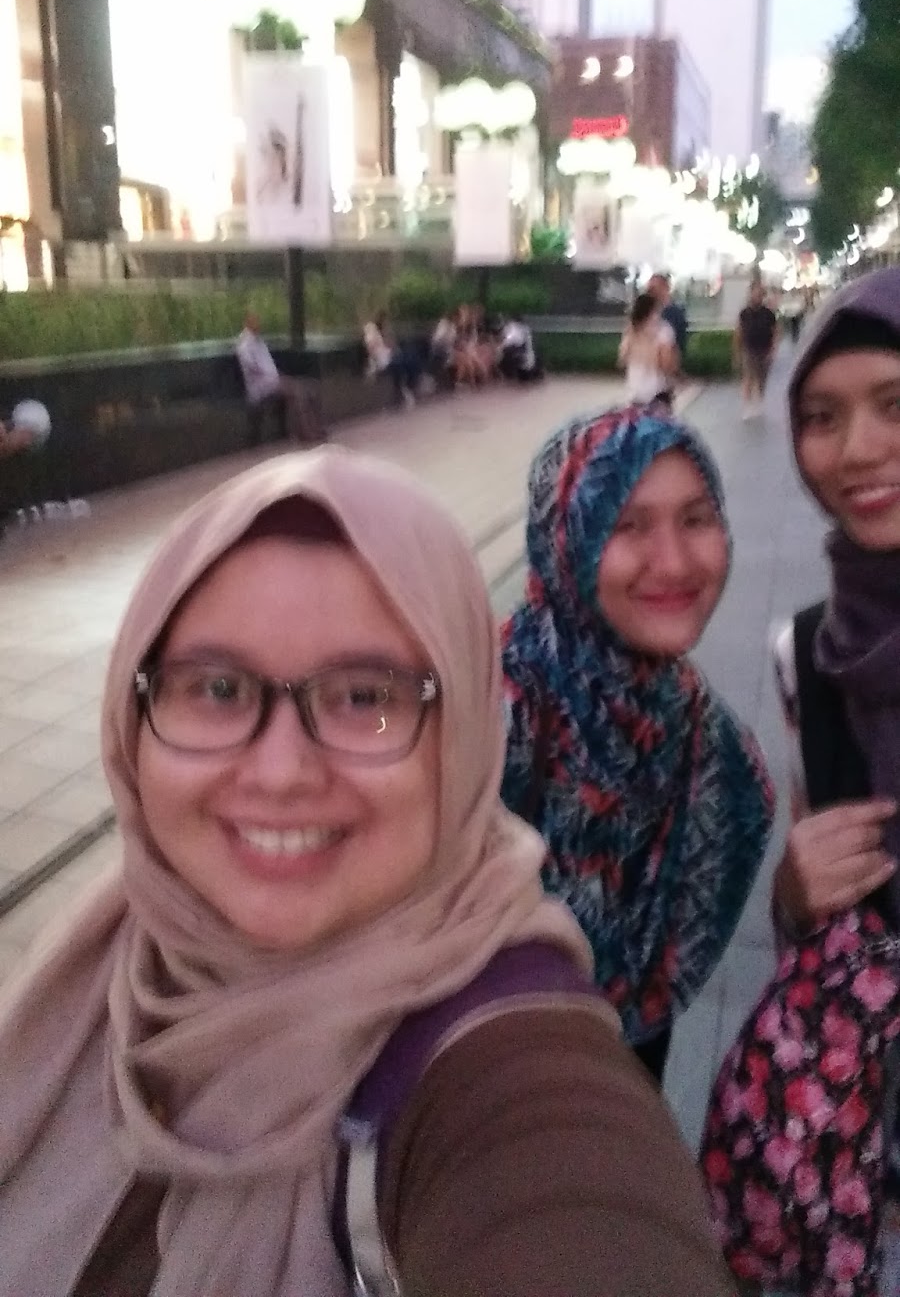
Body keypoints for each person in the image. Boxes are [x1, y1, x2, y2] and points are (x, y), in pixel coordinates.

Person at [0, 448, 735, 1297]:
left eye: (365, 697)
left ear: (462, 739)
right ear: (132, 716)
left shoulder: (508, 1072)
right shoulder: (103, 955)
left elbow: (578, 1211)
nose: (279, 772)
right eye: (216, 688)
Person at [502, 407, 774, 1083]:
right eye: (627, 525)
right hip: (482, 1083)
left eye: (696, 519)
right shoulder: (484, 699)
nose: (674, 562)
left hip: (629, 1071)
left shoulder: (702, 731)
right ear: (566, 539)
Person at [764, 267, 900, 1291]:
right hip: (872, 1123)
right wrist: (794, 888)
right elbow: (806, 908)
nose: (856, 449)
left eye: (894, 404)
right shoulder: (804, 653)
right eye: (822, 416)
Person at [236, 313, 327, 444]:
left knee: (311, 388)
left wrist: (278, 376)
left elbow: (267, 364)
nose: (258, 325)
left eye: (258, 321)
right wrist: (273, 377)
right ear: (246, 324)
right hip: (261, 387)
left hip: (273, 380)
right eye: (254, 322)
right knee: (297, 392)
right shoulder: (244, 346)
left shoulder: (259, 341)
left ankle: (315, 427)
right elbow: (253, 368)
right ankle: (306, 433)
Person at [618, 290, 679, 406]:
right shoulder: (663, 329)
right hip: (657, 392)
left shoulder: (630, 331)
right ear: (653, 311)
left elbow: (622, 360)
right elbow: (666, 365)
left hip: (635, 392)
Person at [734, 277, 779, 418]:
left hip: (764, 349)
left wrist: (773, 349)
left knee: (762, 378)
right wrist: (737, 351)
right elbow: (738, 331)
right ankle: (747, 406)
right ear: (750, 294)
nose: (757, 296)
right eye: (754, 293)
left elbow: (775, 331)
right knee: (748, 377)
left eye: (759, 294)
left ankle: (759, 402)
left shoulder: (768, 313)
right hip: (749, 348)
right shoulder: (744, 313)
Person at [362, 311, 420, 408]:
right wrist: (373, 366)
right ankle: (406, 390)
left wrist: (391, 346)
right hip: (383, 359)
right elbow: (372, 351)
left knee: (410, 358)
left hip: (388, 356)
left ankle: (410, 386)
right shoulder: (371, 334)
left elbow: (389, 346)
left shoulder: (381, 334)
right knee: (402, 364)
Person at [649, 271, 689, 368]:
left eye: (654, 288)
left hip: (667, 363)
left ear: (665, 288)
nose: (651, 293)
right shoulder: (648, 311)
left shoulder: (675, 313)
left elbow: (679, 342)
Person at [498, 313, 542, 383]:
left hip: (524, 364)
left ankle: (508, 375)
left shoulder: (514, 327)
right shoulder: (525, 328)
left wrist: (500, 347)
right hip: (531, 362)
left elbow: (511, 340)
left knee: (504, 353)